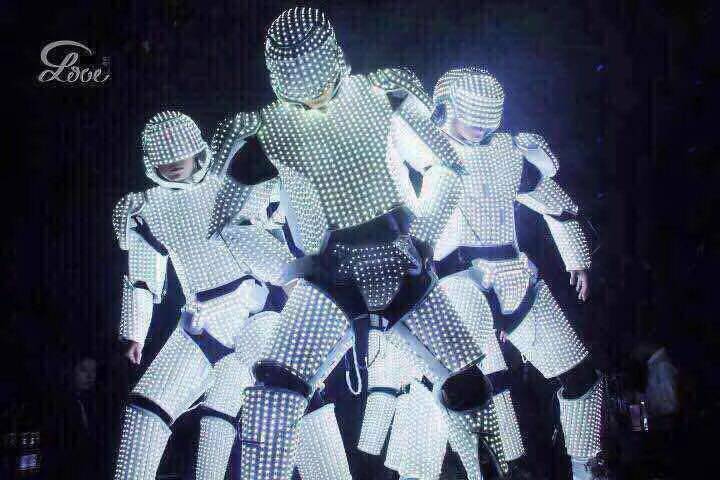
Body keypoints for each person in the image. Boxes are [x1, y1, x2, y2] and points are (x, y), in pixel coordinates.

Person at [210, 7, 495, 480]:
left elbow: (447, 165)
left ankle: (492, 470)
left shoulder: (383, 94)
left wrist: (424, 238)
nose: (316, 99)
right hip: (328, 278)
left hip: (402, 262)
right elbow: (228, 219)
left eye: (321, 86)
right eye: (303, 93)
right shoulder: (268, 131)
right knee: (272, 396)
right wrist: (287, 266)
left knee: (468, 388)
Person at [416, 67, 605, 480]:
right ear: (446, 107)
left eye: (488, 118)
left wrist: (577, 257)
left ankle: (586, 468)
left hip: (517, 278)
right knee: (472, 386)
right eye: (473, 116)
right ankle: (483, 469)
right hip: (457, 281)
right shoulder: (423, 147)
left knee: (582, 377)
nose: (480, 127)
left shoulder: (505, 152)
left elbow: (557, 204)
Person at [112, 111, 293, 480]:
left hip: (254, 311)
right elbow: (143, 279)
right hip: (200, 321)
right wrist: (135, 333)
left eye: (178, 151)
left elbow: (282, 211)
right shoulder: (145, 209)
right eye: (163, 155)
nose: (172, 162)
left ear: (197, 150)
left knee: (284, 396)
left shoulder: (231, 185)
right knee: (145, 409)